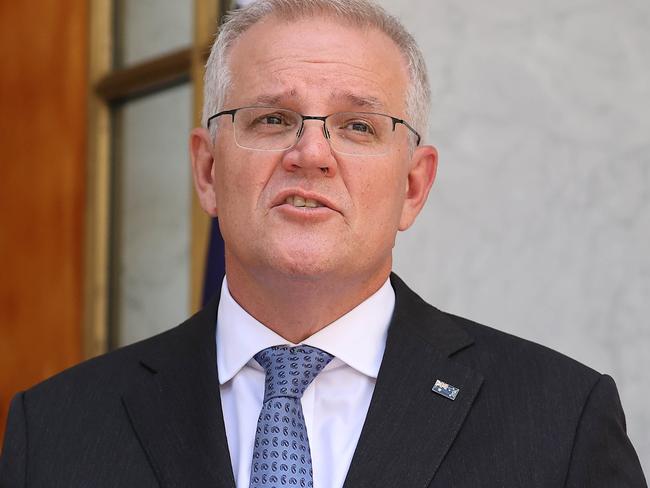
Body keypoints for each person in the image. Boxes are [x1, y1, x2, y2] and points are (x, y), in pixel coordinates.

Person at [0, 0, 646, 486]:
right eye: (273, 118)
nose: (310, 153)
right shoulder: (54, 431)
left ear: (413, 187)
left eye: (358, 126)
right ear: (207, 172)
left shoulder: (560, 423)